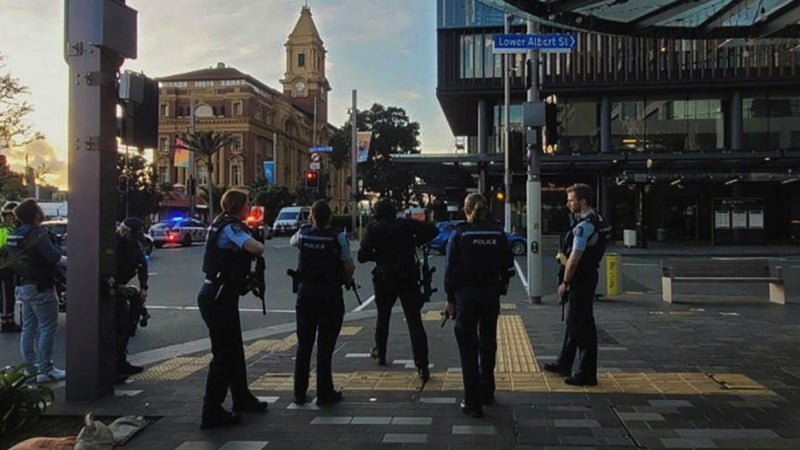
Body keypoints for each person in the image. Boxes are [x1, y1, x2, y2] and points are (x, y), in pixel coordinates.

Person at [197, 189, 268, 430]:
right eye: (247, 204)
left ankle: (242, 397)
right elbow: (255, 248)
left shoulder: (221, 223)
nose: (249, 208)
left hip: (220, 294)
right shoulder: (230, 228)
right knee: (224, 355)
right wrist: (259, 238)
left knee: (234, 349)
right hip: (218, 296)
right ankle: (211, 411)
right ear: (239, 206)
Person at [443, 193, 513, 419]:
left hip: (466, 295)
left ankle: (472, 403)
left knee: (468, 348)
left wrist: (450, 299)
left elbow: (450, 270)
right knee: (488, 343)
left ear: (467, 209)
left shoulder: (460, 233)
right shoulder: (498, 232)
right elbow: (508, 266)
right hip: (490, 295)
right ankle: (487, 391)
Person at [357, 198, 438, 381]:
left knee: (383, 317)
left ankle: (381, 352)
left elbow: (362, 256)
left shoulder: (374, 229)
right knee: (414, 322)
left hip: (385, 278)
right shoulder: (406, 225)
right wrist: (416, 242)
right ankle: (422, 365)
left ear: (377, 214)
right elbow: (433, 230)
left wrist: (377, 255)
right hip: (408, 278)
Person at [290, 200, 354, 406]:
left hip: (305, 293)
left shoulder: (302, 233)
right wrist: (345, 278)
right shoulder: (338, 237)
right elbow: (348, 266)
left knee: (304, 344)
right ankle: (324, 392)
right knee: (325, 347)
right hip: (329, 294)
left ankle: (299, 392)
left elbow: (294, 243)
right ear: (330, 216)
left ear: (311, 216)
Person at [544, 183, 609, 387]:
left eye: (571, 200)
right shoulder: (599, 221)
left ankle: (587, 373)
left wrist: (565, 282)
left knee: (581, 326)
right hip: (589, 275)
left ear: (582, 202)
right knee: (575, 322)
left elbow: (573, 260)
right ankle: (564, 362)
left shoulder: (583, 227)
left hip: (580, 279)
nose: (568, 204)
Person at [6, 198, 66, 382]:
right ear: (35, 214)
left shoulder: (15, 235)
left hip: (24, 285)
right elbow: (53, 256)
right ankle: (45, 369)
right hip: (41, 285)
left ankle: (29, 369)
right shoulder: (37, 233)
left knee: (28, 329)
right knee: (47, 327)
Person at [114, 218, 150, 381]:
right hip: (109, 289)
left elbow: (142, 263)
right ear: (124, 231)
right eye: (132, 235)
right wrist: (117, 286)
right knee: (114, 329)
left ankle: (121, 362)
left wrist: (144, 286)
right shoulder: (112, 244)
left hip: (121, 287)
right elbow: (102, 269)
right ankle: (113, 367)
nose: (135, 239)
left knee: (126, 326)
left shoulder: (133, 244)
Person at [0, 202, 21, 332]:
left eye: (12, 216)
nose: (11, 218)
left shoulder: (12, 230)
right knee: (5, 296)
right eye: (8, 216)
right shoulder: (3, 231)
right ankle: (6, 322)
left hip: (10, 268)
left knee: (10, 296)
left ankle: (9, 320)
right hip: (3, 269)